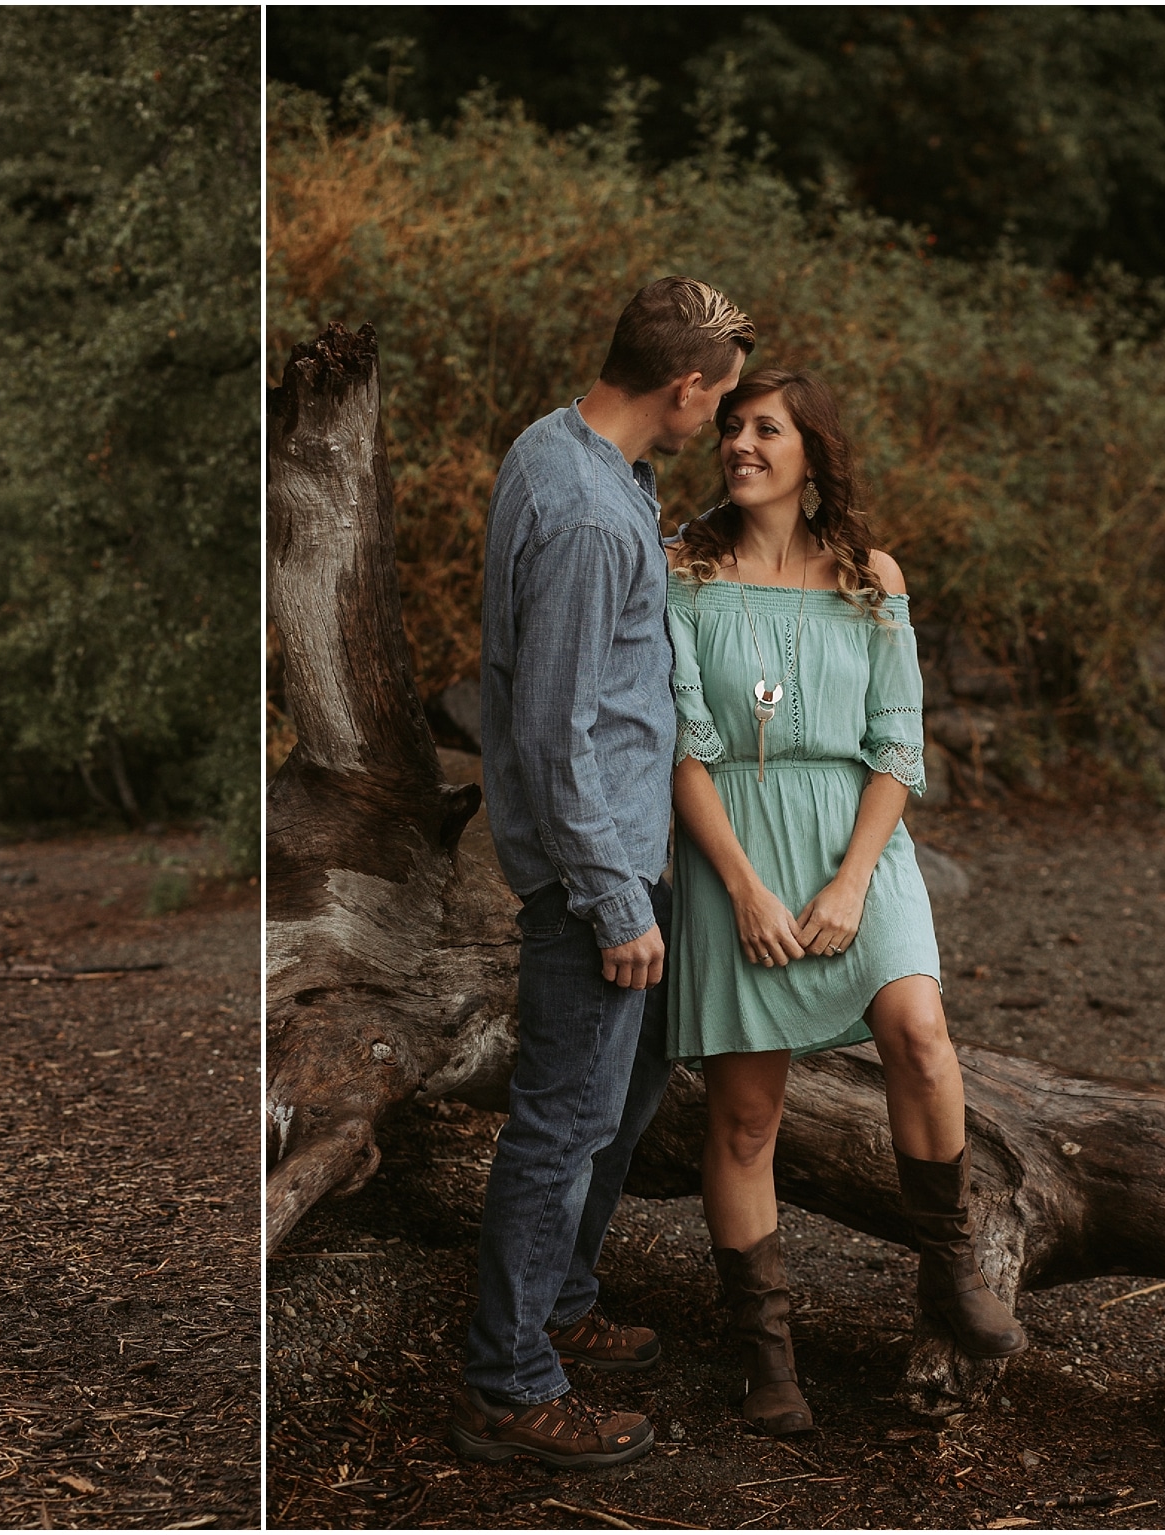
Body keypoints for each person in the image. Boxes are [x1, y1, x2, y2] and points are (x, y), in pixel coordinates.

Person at [665, 368, 1028, 1438]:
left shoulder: (869, 576)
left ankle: (949, 1270)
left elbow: (897, 746)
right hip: (731, 847)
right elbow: (682, 749)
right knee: (743, 1115)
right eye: (728, 426)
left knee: (919, 1034)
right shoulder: (681, 571)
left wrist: (850, 876)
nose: (738, 442)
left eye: (763, 427)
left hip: (856, 843)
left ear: (810, 452)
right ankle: (766, 1356)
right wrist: (740, 888)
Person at [448, 276, 755, 1473]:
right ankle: (507, 1383)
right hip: (596, 875)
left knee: (622, 1098)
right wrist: (615, 901)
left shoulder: (572, 453)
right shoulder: (580, 510)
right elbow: (549, 728)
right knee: (558, 1127)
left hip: (634, 844)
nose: (720, 425)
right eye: (716, 401)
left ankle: (562, 1296)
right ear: (680, 386)